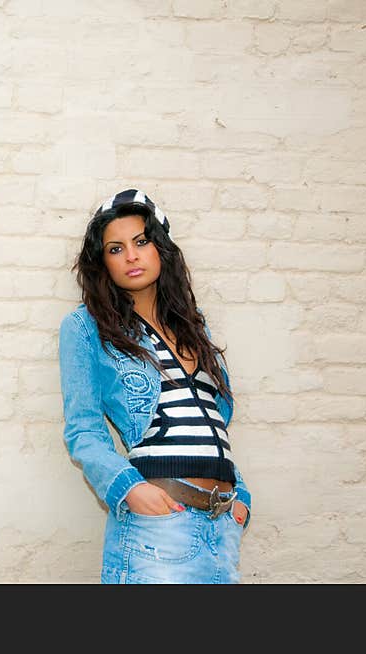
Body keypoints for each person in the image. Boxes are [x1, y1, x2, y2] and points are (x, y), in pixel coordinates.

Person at [58, 188, 252, 584]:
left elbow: (210, 419)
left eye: (141, 242)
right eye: (115, 248)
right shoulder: (86, 327)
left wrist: (241, 497)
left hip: (222, 526)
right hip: (159, 528)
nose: (131, 255)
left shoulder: (193, 325)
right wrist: (130, 490)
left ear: (160, 248)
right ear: (103, 263)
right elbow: (83, 431)